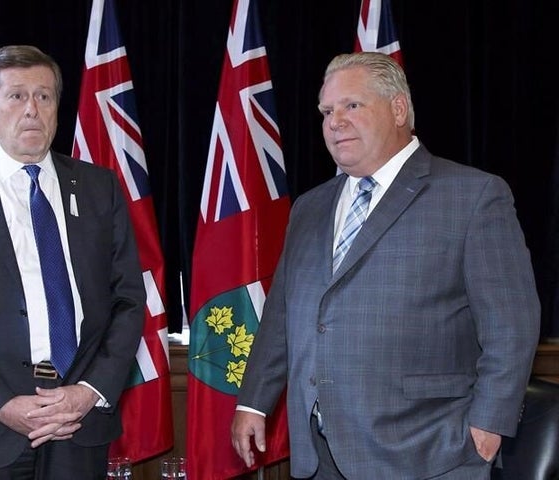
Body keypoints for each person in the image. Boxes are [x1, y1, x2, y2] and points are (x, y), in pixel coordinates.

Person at [230, 51, 540, 479]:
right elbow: (285, 315)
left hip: (430, 453)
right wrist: (253, 402)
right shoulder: (310, 207)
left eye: (351, 105)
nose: (334, 121)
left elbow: (512, 324)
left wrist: (488, 423)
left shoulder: (472, 197)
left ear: (397, 108)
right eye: (326, 111)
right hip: (321, 455)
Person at [0, 45, 146, 479]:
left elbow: (129, 300)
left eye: (44, 96)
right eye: (17, 96)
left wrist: (89, 392)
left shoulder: (99, 188)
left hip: (79, 421)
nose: (32, 110)